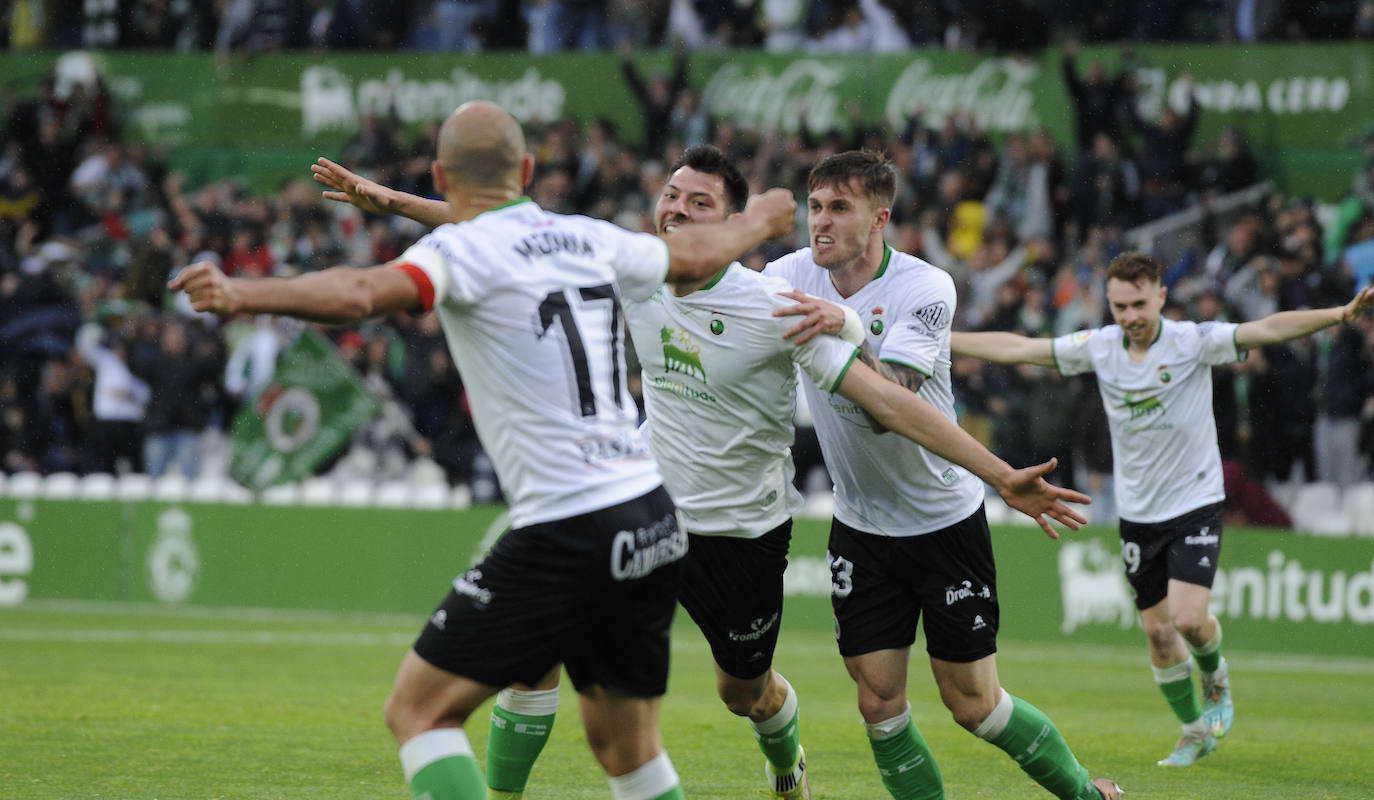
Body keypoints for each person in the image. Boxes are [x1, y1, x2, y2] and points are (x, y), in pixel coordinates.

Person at [311, 143, 1097, 800]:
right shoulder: (637, 266)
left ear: (731, 227)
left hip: (744, 533)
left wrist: (998, 474)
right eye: (670, 197)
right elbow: (509, 236)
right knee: (535, 659)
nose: (676, 212)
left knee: (746, 693)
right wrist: (386, 199)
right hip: (645, 511)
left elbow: (890, 404)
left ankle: (784, 757)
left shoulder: (781, 300)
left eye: (697, 204)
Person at [171, 99, 799, 800]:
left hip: (570, 523)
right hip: (650, 514)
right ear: (527, 172)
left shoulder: (460, 252)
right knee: (629, 752)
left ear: (442, 173)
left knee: (419, 711)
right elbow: (697, 255)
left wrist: (244, 294)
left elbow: (357, 293)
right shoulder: (584, 235)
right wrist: (762, 221)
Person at [764, 151, 1121, 800]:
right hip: (861, 527)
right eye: (813, 206)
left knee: (974, 705)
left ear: (880, 219)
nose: (819, 222)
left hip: (943, 522)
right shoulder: (787, 276)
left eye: (839, 208)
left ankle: (1084, 794)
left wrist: (845, 325)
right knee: (878, 703)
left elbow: (889, 403)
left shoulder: (925, 289)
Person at [950, 252, 1374, 768]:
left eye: (1139, 304)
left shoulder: (1192, 342)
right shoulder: (1101, 348)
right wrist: (945, 340)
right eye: (1120, 305)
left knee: (1190, 619)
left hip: (1195, 501)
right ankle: (1193, 730)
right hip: (1137, 512)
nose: (1129, 316)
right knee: (1156, 631)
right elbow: (1020, 348)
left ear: (1161, 297)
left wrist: (1337, 315)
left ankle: (1215, 677)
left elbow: (1265, 329)